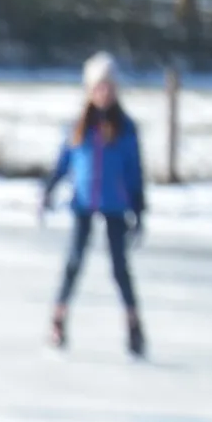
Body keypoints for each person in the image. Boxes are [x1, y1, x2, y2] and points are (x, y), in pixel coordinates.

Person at [40, 54, 149, 359]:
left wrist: (139, 209)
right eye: (99, 87)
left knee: (119, 268)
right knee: (73, 262)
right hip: (84, 203)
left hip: (115, 204)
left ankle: (133, 325)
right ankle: (58, 320)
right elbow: (64, 162)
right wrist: (49, 189)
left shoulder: (126, 129)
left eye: (109, 87)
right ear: (89, 90)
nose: (104, 93)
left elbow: (135, 170)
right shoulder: (78, 127)